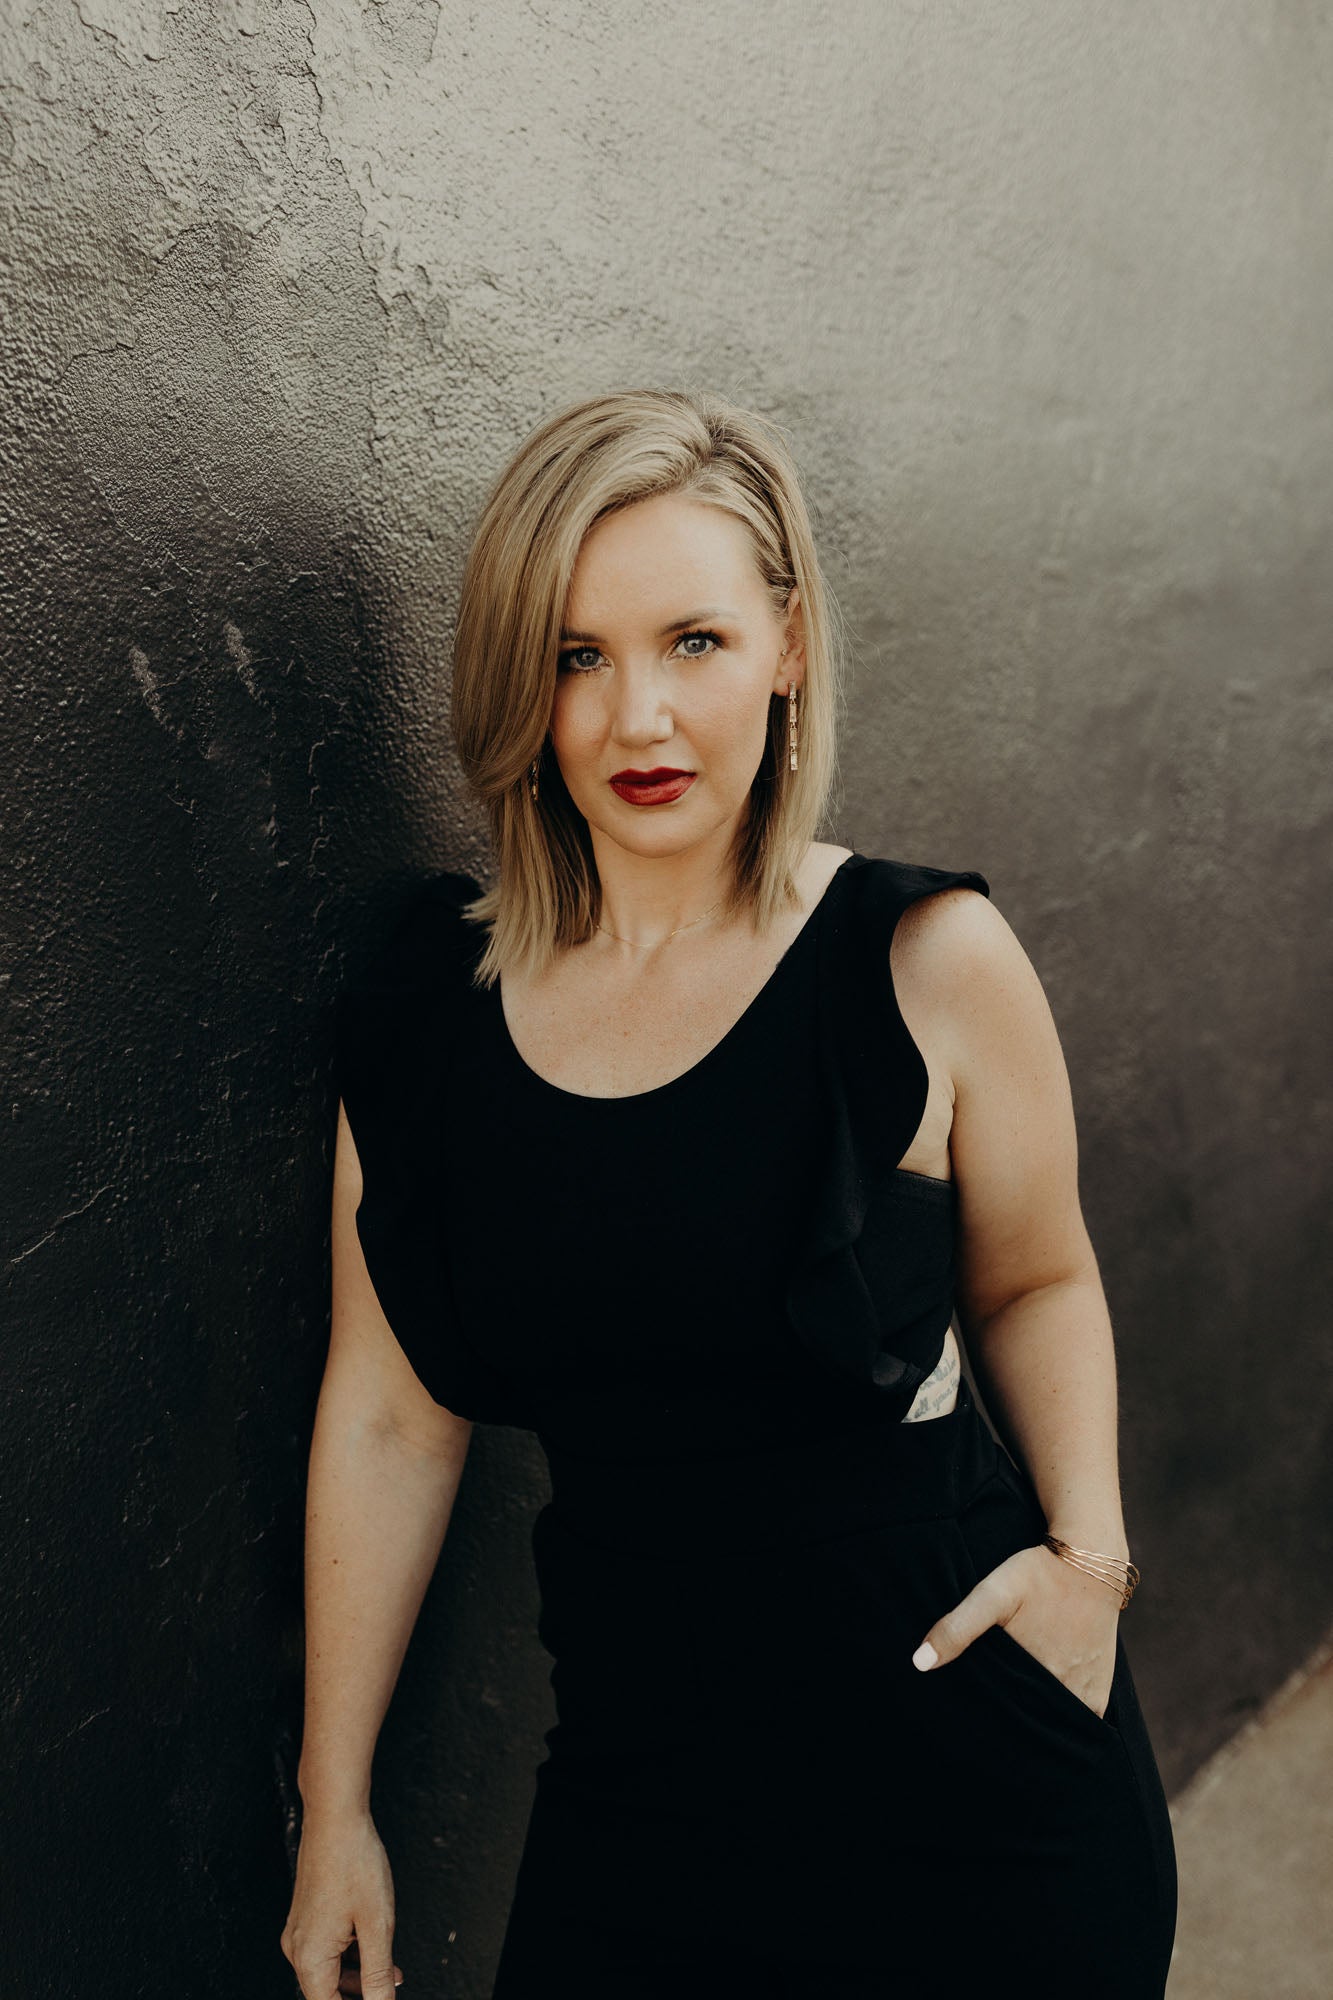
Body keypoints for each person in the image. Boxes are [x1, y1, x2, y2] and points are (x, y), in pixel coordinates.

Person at [282, 389, 1179, 1999]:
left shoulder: (921, 962)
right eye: (577, 656)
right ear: (524, 687)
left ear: (786, 648)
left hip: (970, 1768)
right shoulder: (425, 1012)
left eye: (691, 641)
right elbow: (388, 1416)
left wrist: (1090, 1568)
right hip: (637, 1790)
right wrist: (332, 1805)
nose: (638, 718)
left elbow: (1038, 1279)